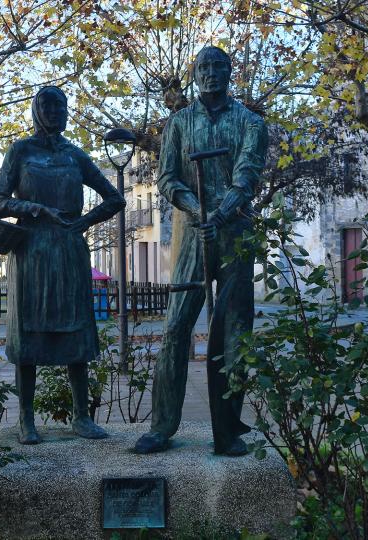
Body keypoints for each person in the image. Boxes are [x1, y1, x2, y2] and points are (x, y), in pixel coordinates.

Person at [132, 46, 268, 456]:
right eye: (203, 67)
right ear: (194, 75)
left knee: (234, 333)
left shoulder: (250, 122)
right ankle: (161, 427)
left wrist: (222, 213)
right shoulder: (179, 123)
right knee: (176, 328)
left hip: (235, 235)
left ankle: (227, 431)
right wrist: (197, 209)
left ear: (230, 71)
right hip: (193, 234)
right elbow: (168, 178)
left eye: (218, 66)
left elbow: (247, 175)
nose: (210, 73)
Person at [0, 86, 125, 444]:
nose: (55, 111)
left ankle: (82, 417)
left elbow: (115, 199)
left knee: (76, 330)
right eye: (47, 106)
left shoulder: (75, 155)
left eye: (61, 105)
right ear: (36, 111)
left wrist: (83, 223)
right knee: (29, 334)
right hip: (32, 248)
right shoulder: (20, 151)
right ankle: (26, 420)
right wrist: (33, 208)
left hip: (68, 248)